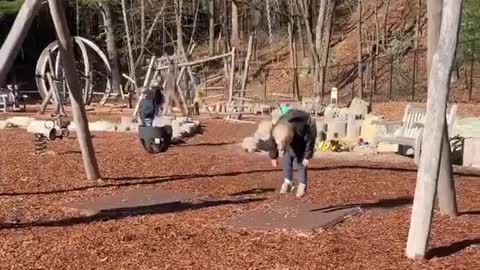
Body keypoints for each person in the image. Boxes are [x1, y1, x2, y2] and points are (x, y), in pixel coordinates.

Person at [268, 105, 317, 198]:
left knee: (301, 163)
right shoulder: (277, 128)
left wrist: (307, 157)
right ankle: (288, 182)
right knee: (287, 159)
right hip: (289, 134)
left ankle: (302, 185)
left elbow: (310, 141)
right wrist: (273, 156)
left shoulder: (302, 128)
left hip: (305, 132)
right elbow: (272, 141)